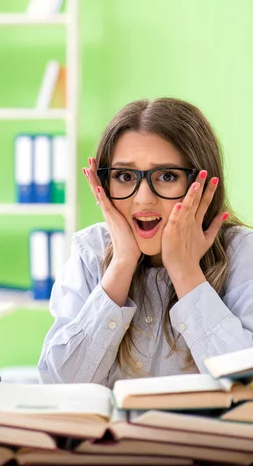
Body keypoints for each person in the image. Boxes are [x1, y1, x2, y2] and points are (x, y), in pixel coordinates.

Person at [38, 97, 253, 388]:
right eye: (125, 176)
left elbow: (247, 386)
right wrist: (121, 265)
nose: (143, 199)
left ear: (201, 183)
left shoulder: (243, 253)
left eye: (166, 176)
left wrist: (186, 274)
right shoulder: (90, 251)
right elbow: (58, 386)